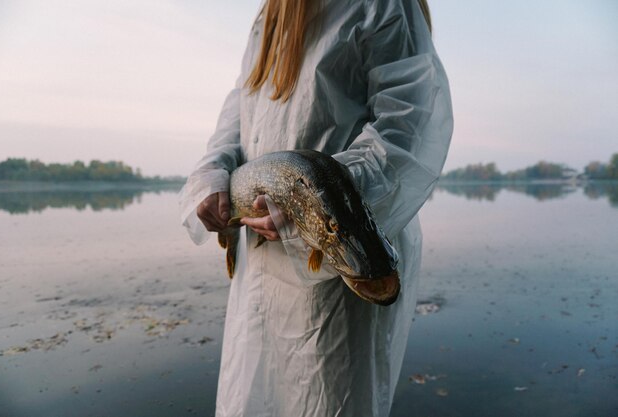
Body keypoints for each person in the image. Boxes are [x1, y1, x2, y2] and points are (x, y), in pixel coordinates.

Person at [179, 0, 453, 415]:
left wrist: (307, 208)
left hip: (339, 273)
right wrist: (211, 181)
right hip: (261, 270)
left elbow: (409, 124)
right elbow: (235, 126)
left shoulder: (383, 4)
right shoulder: (268, 19)